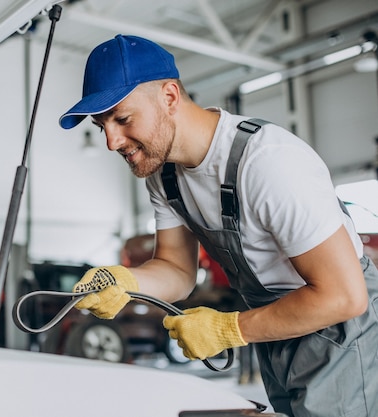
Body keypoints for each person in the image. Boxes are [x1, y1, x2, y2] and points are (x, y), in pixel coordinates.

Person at [58, 34, 378, 417]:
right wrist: (127, 283)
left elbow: (344, 296)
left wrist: (229, 330)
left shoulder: (268, 162)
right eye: (101, 125)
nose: (112, 141)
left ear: (170, 97)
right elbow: (178, 271)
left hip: (336, 329)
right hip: (275, 325)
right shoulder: (164, 176)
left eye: (123, 119)